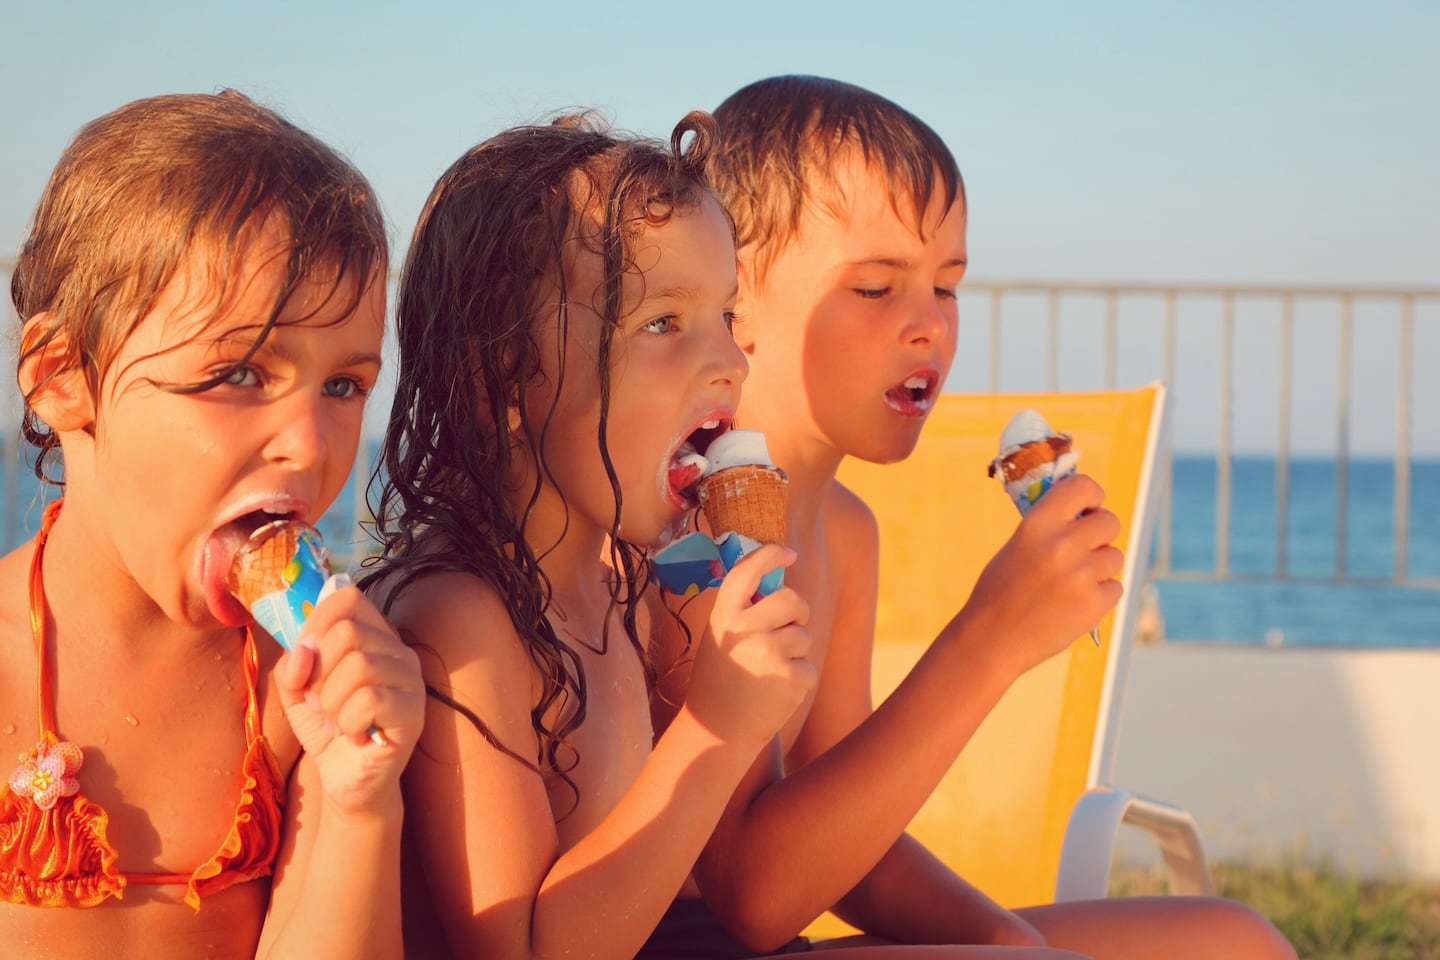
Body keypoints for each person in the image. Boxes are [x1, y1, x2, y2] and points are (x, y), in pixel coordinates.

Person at [648, 75, 1298, 960]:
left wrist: (1007, 937)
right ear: (736, 297)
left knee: (1230, 940)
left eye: (947, 287)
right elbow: (754, 895)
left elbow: (847, 846)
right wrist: (990, 641)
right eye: (876, 288)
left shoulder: (844, 532)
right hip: (675, 940)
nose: (929, 327)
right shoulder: (687, 532)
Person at [0, 91, 425, 960]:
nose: (310, 445)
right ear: (60, 377)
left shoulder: (298, 690)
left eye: (343, 386)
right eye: (239, 373)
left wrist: (358, 801)